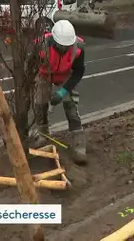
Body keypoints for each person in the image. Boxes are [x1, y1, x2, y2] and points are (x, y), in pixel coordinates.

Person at [30, 20, 87, 164]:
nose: (65, 48)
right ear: (54, 40)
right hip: (44, 74)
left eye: (67, 46)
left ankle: (79, 143)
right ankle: (43, 135)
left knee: (71, 107)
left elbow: (79, 72)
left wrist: (63, 91)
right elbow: (30, 66)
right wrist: (34, 84)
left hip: (65, 75)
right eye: (62, 46)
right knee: (40, 105)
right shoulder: (41, 46)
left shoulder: (78, 48)